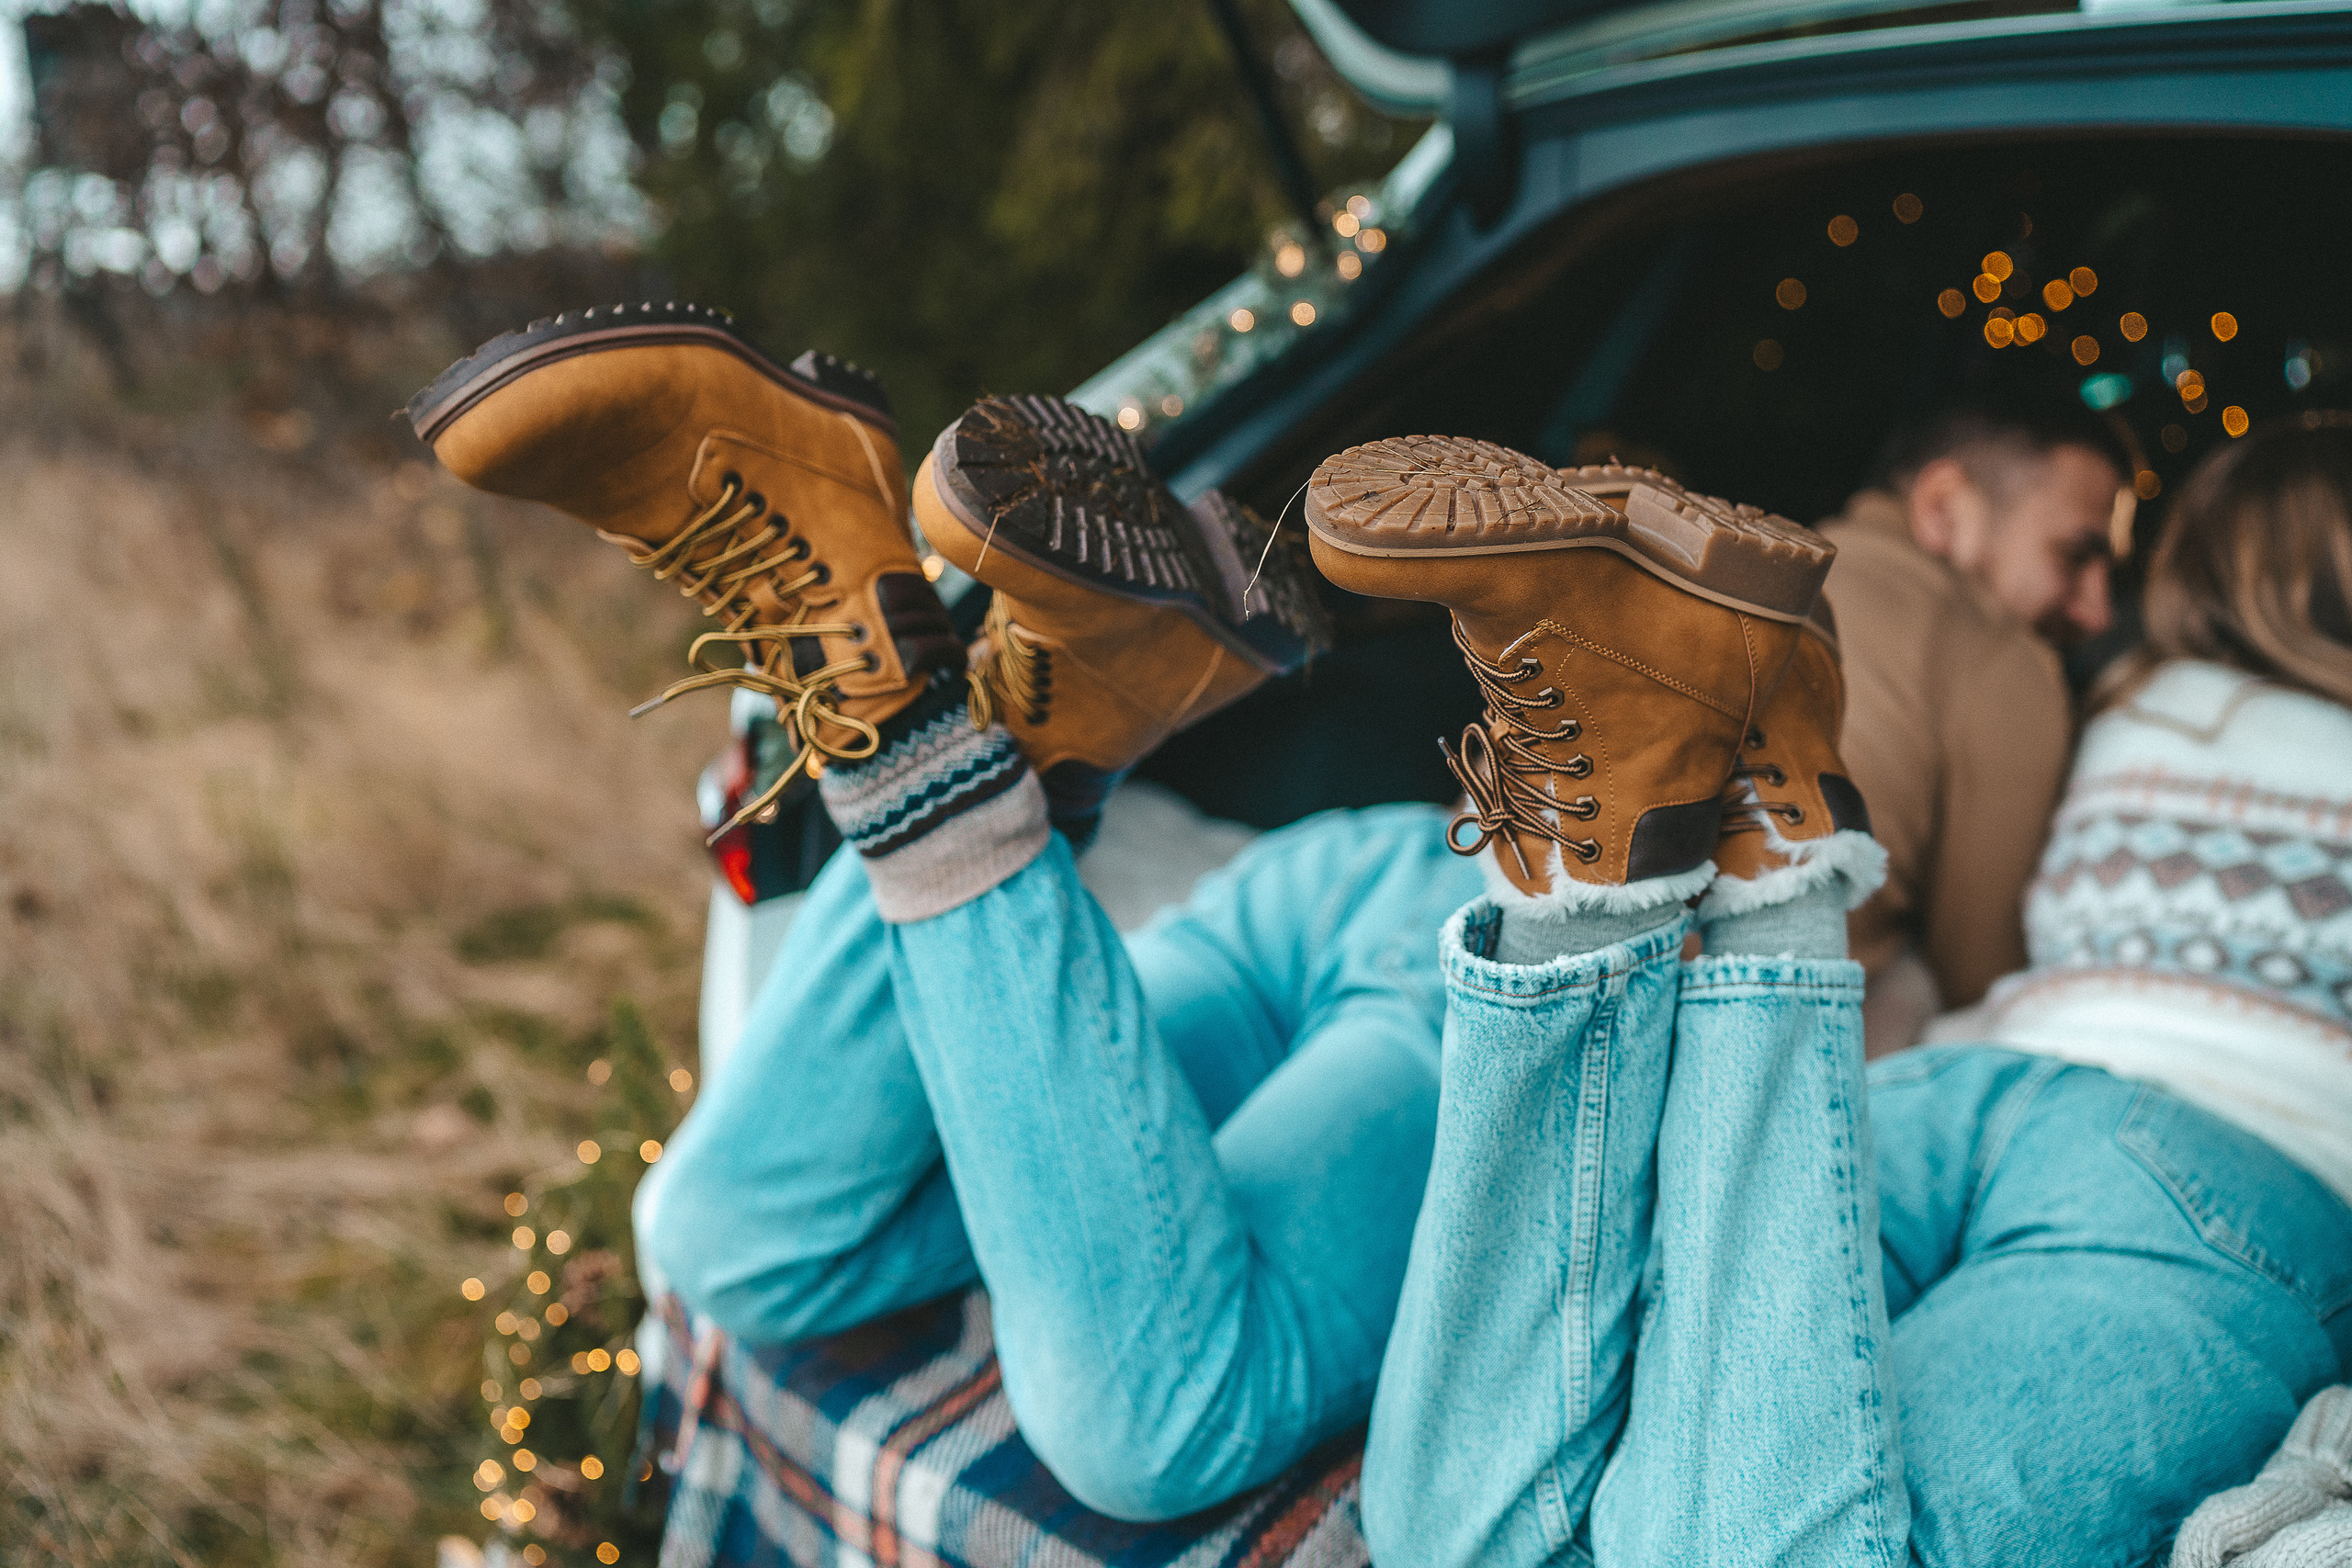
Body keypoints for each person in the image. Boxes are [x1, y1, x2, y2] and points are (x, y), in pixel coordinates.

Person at [408, 313, 2348, 1562]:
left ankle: (987, 726)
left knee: (733, 1233)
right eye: (2071, 547)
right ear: (1945, 503)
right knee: (1159, 1417)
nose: (2087, 598)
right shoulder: (2015, 665)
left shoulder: (2107, 687)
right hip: (1484, 948)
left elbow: (2008, 994)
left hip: (1362, 876)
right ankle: (1691, 836)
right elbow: (1987, 961)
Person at [1819, 383, 2133, 1050]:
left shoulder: (1778, 569)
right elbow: (1984, 980)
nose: (2096, 612)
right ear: (1944, 508)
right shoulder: (1999, 654)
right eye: (2075, 556)